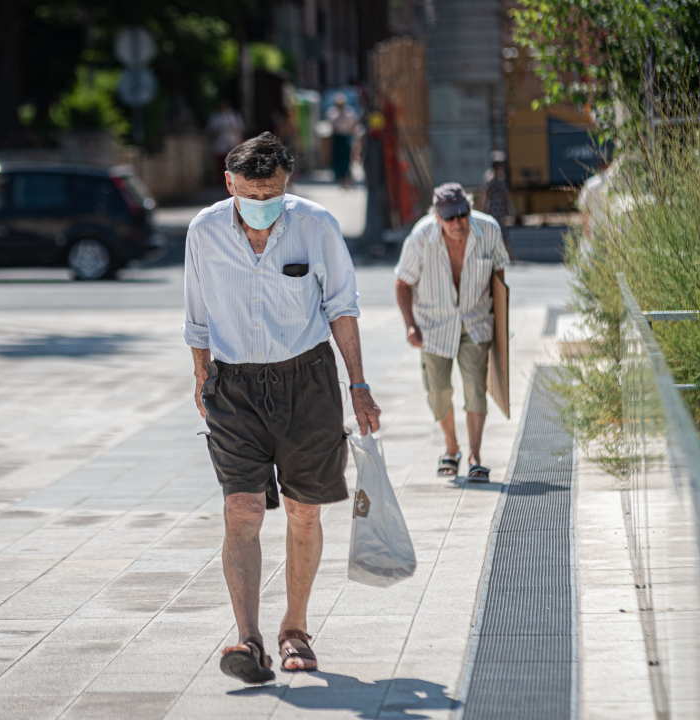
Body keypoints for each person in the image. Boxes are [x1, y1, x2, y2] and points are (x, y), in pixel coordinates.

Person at [183, 132, 382, 684]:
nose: (262, 203)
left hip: (307, 382)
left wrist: (358, 385)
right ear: (230, 185)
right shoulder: (203, 230)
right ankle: (247, 639)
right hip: (233, 388)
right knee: (241, 510)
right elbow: (196, 314)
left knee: (303, 510)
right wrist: (201, 376)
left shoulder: (316, 225)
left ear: (286, 183)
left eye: (271, 192)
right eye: (251, 193)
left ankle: (294, 628)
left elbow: (342, 305)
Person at [394, 182, 509, 482]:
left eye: (463, 214)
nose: (458, 223)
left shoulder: (489, 230)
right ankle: (451, 447)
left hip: (475, 322)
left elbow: (499, 278)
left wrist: (501, 325)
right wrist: (409, 323)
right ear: (437, 217)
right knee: (438, 392)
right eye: (450, 218)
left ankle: (474, 456)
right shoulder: (421, 238)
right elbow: (402, 283)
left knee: (475, 388)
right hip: (434, 326)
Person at [480, 150, 516, 261]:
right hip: (493, 209)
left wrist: (510, 207)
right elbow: (485, 194)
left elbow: (506, 195)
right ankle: (507, 256)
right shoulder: (490, 178)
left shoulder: (501, 178)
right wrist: (483, 209)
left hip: (500, 209)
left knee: (502, 232)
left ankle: (509, 255)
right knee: (495, 231)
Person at [325, 93, 358, 186]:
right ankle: (339, 177)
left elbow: (353, 125)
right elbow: (330, 124)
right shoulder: (332, 112)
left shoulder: (349, 112)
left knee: (346, 158)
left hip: (346, 136)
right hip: (337, 137)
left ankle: (346, 177)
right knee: (337, 157)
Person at [206, 99, 246, 177]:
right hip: (220, 143)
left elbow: (240, 128)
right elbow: (210, 130)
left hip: (233, 142)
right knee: (221, 163)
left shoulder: (234, 115)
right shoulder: (216, 117)